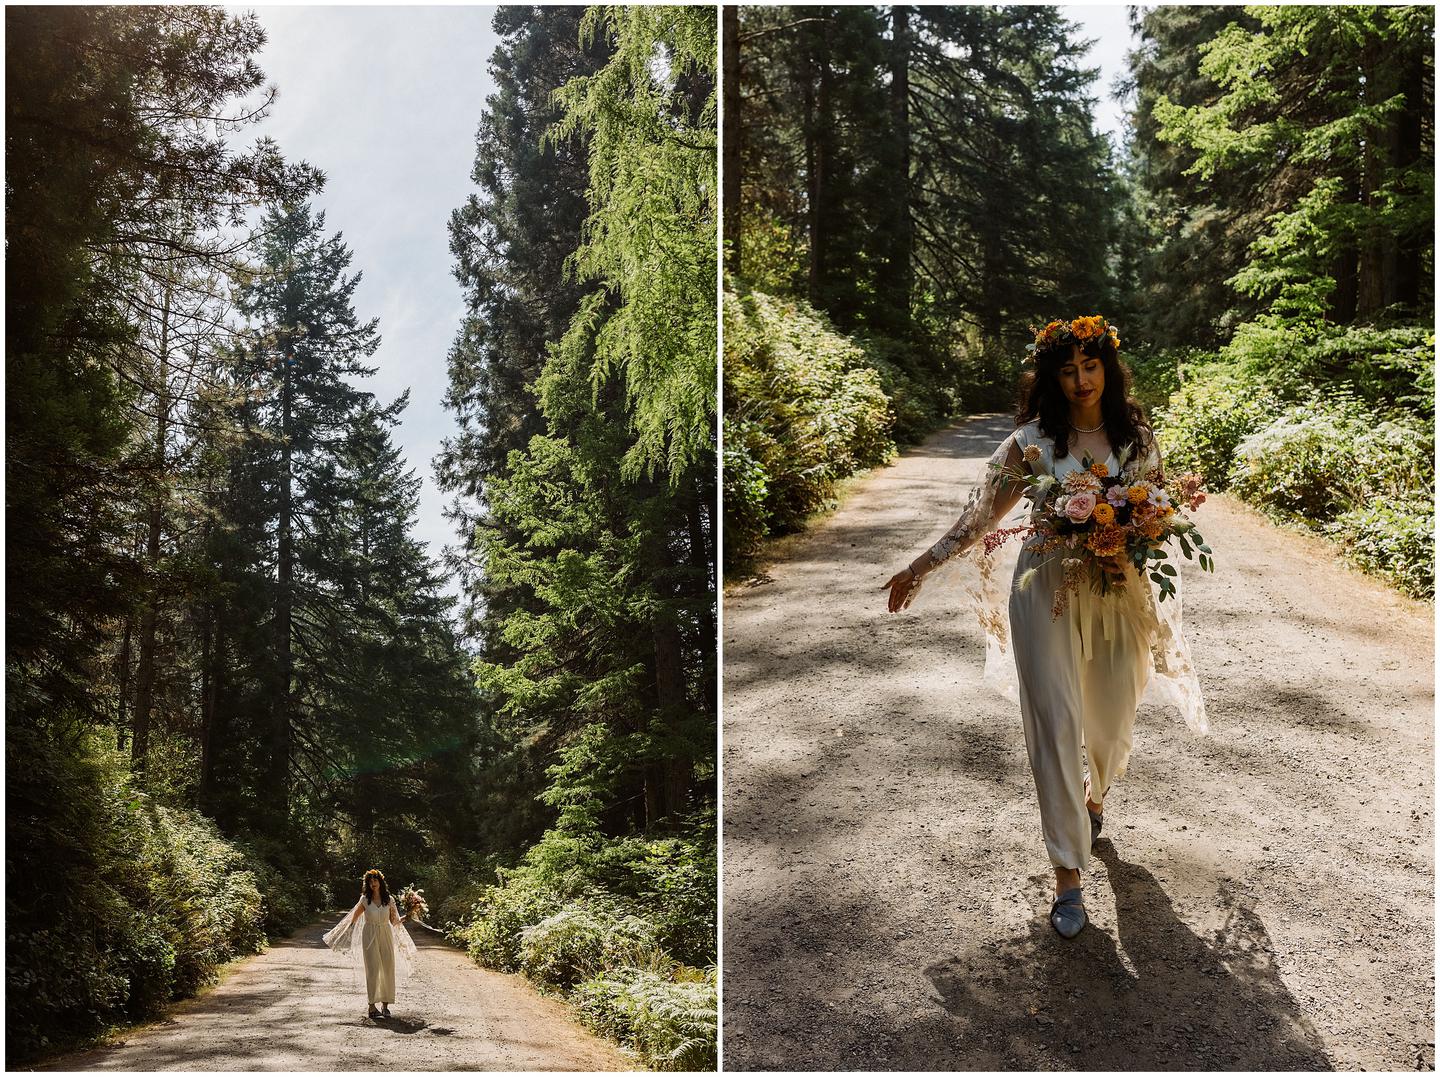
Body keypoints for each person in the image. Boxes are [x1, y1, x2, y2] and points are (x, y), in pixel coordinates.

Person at [883, 315, 1206, 940]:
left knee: (1112, 717)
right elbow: (978, 516)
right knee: (1054, 723)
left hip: (1116, 591)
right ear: (1050, 377)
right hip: (1042, 592)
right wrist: (920, 566)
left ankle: (1094, 796)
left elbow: (1158, 512)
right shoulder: (1030, 442)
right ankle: (1067, 874)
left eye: (1090, 367)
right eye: (1067, 370)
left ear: (1107, 370)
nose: (1081, 380)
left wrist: (1140, 526)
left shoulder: (1136, 437)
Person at [321, 868, 418, 1018]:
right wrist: (343, 933)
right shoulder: (364, 900)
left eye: (375, 880)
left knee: (387, 968)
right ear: (367, 883)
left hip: (386, 934)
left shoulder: (389, 899)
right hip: (369, 935)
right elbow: (353, 919)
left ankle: (385, 1005)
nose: (373, 883)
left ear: (380, 882)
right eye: (370, 881)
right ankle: (372, 1006)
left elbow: (394, 922)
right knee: (373, 969)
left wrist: (409, 914)